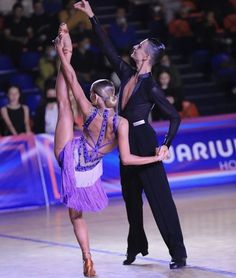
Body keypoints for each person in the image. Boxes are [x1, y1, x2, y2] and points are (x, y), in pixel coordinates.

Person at [75, 0, 187, 269]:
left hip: (145, 142)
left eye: (139, 47)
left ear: (146, 56)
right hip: (126, 140)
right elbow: (108, 49)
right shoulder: (127, 74)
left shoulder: (151, 88)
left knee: (161, 201)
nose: (134, 48)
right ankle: (136, 245)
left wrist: (165, 144)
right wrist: (92, 16)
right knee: (132, 202)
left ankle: (178, 254)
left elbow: (174, 116)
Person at [54, 23, 161, 277]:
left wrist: (62, 54)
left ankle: (88, 257)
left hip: (72, 158)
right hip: (90, 172)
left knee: (63, 105)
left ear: (94, 97)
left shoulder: (89, 111)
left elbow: (70, 78)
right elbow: (126, 159)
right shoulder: (122, 122)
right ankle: (87, 261)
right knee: (78, 216)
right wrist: (153, 157)